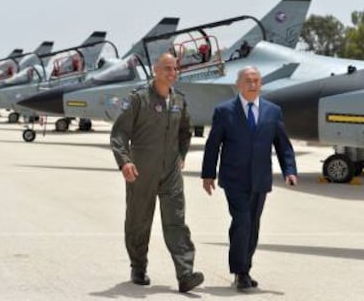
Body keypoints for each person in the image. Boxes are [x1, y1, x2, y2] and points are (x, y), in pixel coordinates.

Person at [110, 53, 204, 293]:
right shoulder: (138, 99)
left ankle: (185, 273)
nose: (172, 73)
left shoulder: (179, 101)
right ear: (155, 70)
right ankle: (138, 266)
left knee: (176, 220)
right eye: (167, 68)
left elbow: (186, 131)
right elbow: (119, 133)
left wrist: (182, 155)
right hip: (142, 169)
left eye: (175, 69)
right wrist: (124, 162)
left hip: (171, 171)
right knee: (139, 220)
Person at [201, 66, 297, 291]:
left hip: (260, 179)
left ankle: (245, 268)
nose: (252, 84)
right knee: (242, 220)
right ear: (238, 85)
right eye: (248, 80)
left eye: (256, 80)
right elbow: (213, 144)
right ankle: (240, 271)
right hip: (234, 179)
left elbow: (283, 145)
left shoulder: (273, 111)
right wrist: (208, 174)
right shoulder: (224, 111)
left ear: (261, 84)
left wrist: (289, 171)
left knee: (253, 225)